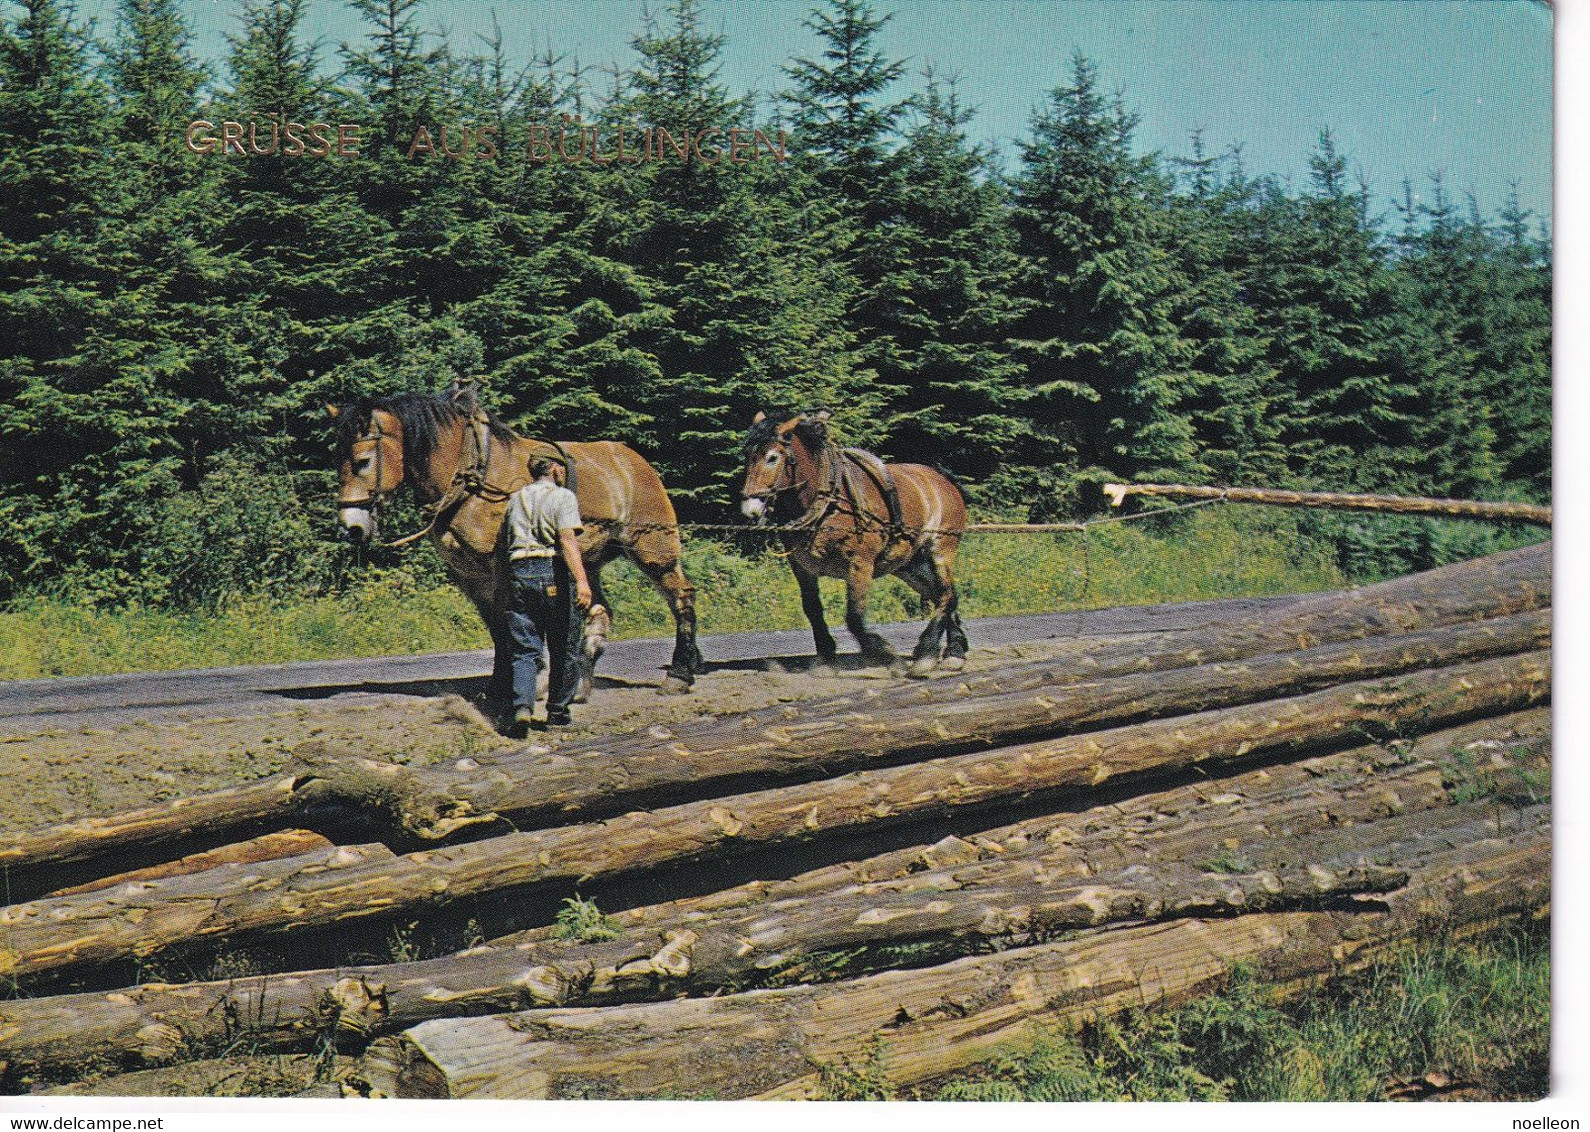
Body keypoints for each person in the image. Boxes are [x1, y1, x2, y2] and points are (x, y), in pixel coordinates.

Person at [503, 453, 592, 732]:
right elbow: (567, 540)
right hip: (550, 570)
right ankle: (557, 712)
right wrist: (582, 581)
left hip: (519, 571)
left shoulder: (515, 499)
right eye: (562, 469)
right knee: (564, 645)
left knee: (525, 648)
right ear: (554, 469)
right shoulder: (563, 496)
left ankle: (522, 707)